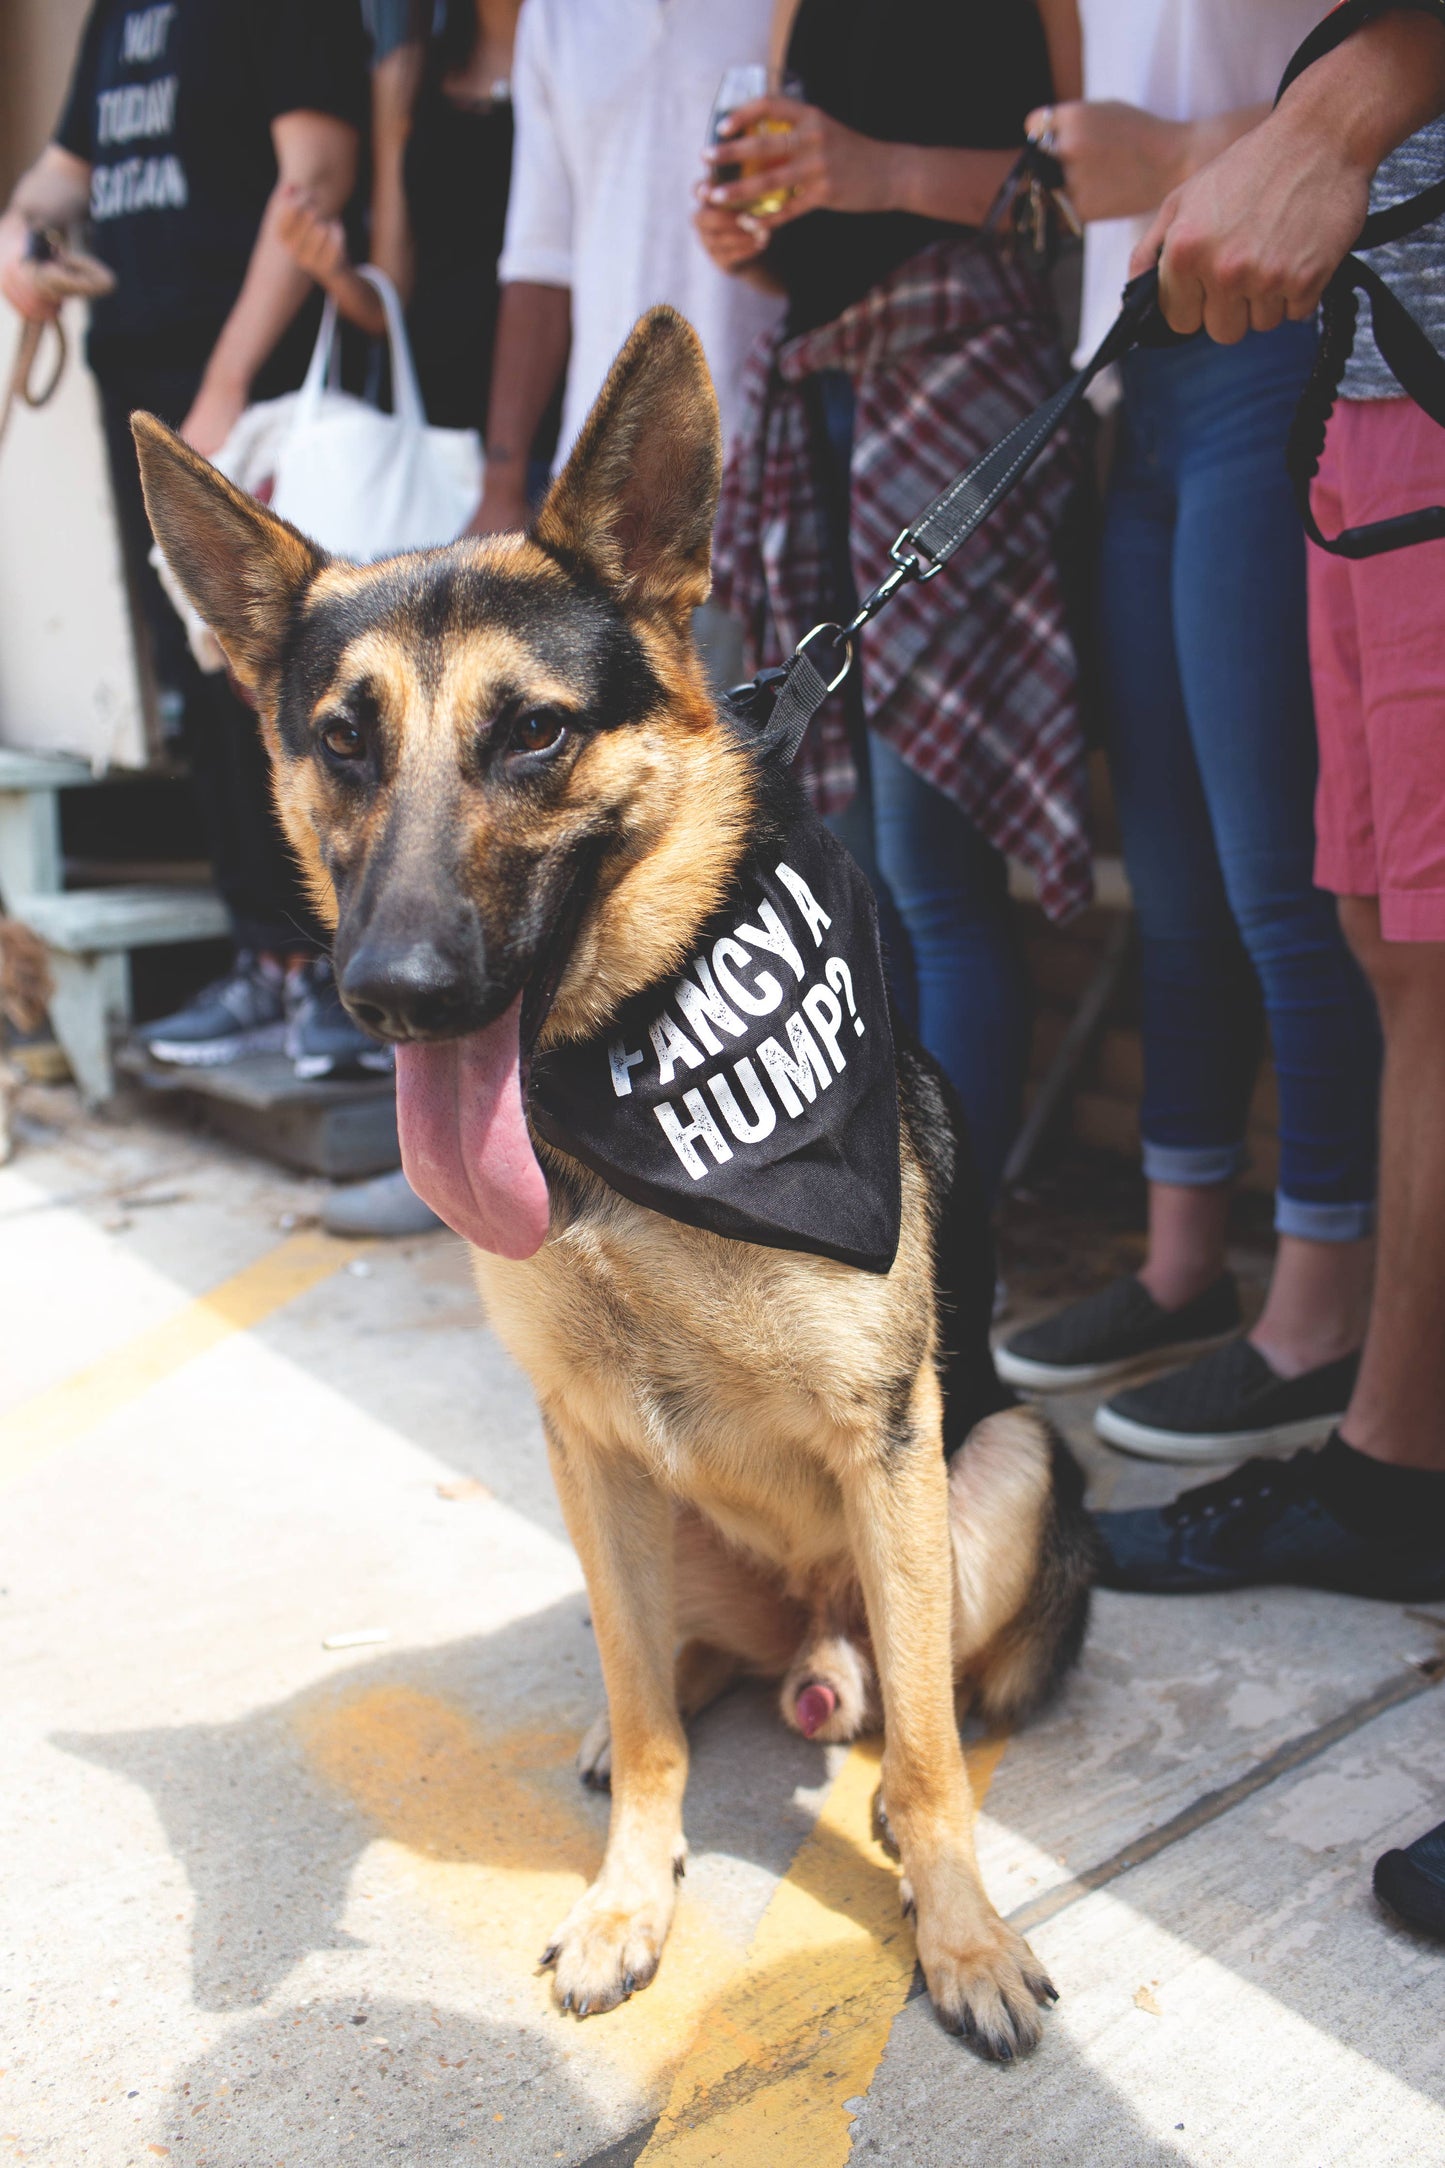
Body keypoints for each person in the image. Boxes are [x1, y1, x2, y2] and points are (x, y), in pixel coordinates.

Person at [1079, 0, 1445, 1946]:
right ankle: (1390, 1461)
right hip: (1376, 361)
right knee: (1403, 951)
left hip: (1364, 277)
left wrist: (1350, 95)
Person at [996, 0, 1387, 1469]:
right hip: (1138, 380)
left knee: (1278, 879)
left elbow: (1398, 100)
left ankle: (1317, 1314)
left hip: (1281, 342)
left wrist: (1169, 154)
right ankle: (1177, 1272)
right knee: (1169, 881)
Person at [696, 0, 1089, 1209]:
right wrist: (742, 237)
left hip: (953, 378)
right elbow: (789, 223)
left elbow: (1077, 201)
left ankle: (951, 1257)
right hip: (819, 392)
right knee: (846, 872)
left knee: (927, 867)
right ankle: (884, 1222)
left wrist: (873, 171)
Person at [0, 0, 371, 1075]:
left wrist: (222, 387)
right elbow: (65, 171)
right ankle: (265, 957)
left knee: (283, 688)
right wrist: (23, 234)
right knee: (202, 686)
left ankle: (333, 972)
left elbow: (319, 176)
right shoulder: (121, 13)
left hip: (251, 394)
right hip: (147, 388)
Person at [278, 0, 526, 1239]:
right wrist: (338, 281)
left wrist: (528, 466)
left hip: (581, 449)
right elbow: (398, 281)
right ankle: (457, 1171)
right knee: (421, 856)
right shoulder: (406, 74)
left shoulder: (603, 37)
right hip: (454, 470)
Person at [466, 0, 784, 540]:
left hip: (764, 464)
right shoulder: (555, 14)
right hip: (599, 482)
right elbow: (541, 254)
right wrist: (502, 484)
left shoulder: (784, 12)